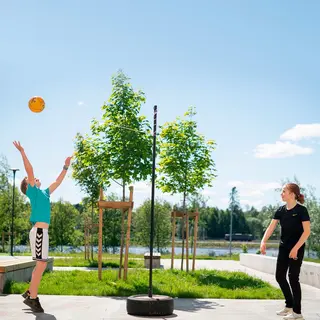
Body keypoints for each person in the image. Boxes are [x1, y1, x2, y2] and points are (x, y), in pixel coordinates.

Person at [13, 141, 72, 313]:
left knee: (40, 265)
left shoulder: (45, 193)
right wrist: (23, 152)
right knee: (41, 265)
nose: (35, 178)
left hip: (42, 232)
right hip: (39, 232)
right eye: (31, 179)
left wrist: (65, 166)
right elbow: (29, 170)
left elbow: (58, 181)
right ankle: (32, 298)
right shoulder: (32, 191)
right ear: (28, 185)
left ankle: (30, 293)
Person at [260, 183, 311, 320]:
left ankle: (297, 313)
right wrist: (263, 241)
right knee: (279, 276)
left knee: (293, 278)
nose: (281, 194)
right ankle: (289, 305)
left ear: (292, 194)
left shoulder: (301, 210)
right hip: (283, 248)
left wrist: (295, 249)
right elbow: (271, 227)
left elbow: (306, 232)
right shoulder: (281, 210)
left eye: (284, 191)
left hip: (297, 248)